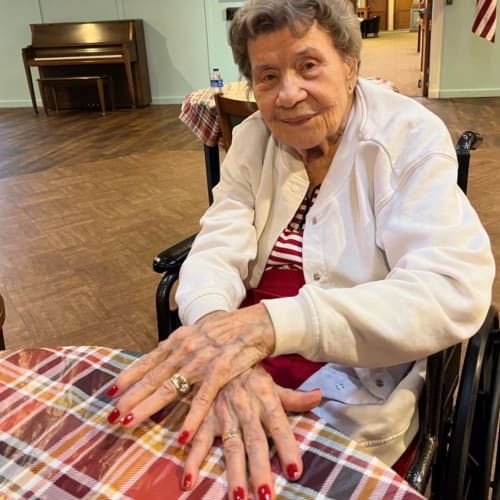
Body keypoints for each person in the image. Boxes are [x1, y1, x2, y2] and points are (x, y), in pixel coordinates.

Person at [106, 0, 495, 498]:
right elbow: (215, 247)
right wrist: (223, 351)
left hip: (357, 353)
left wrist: (268, 326)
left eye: (308, 65)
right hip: (243, 336)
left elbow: (451, 287)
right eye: (267, 76)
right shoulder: (252, 138)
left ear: (351, 66)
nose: (289, 94)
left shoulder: (407, 137)